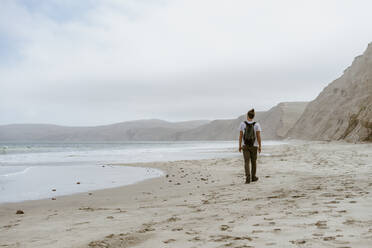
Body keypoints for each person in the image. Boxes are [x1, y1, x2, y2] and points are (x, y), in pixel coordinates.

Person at [239, 109, 262, 184]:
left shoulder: (242, 124)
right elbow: (258, 136)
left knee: (246, 162)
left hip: (245, 145)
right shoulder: (257, 124)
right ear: (253, 116)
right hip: (254, 146)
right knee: (253, 162)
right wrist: (260, 146)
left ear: (247, 116)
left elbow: (240, 136)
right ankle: (253, 177)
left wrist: (239, 145)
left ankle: (248, 177)